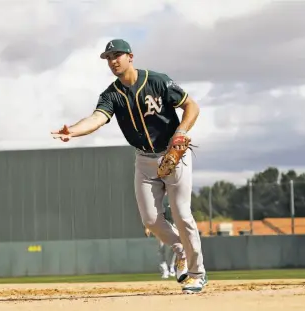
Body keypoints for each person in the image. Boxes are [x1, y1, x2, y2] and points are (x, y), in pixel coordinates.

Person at [51, 38, 207, 294]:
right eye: (109, 57)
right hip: (144, 160)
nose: (113, 61)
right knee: (151, 219)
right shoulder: (112, 94)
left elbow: (192, 106)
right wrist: (74, 131)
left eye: (117, 55)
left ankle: (197, 273)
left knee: (181, 213)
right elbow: (97, 118)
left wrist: (181, 131)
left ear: (130, 57)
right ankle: (180, 250)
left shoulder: (158, 81)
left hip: (173, 153)